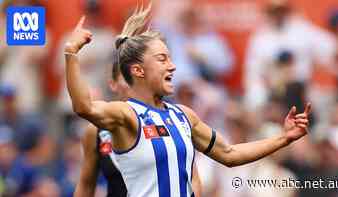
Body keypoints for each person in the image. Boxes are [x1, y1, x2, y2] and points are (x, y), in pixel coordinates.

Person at [64, 4, 311, 197]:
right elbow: (83, 106)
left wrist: (284, 138)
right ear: (139, 71)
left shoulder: (182, 115)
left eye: (170, 58)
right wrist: (71, 53)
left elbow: (230, 154)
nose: (172, 66)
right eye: (162, 59)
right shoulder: (126, 114)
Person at [74, 63, 202, 197]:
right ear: (113, 84)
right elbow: (86, 184)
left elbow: (192, 177)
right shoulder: (96, 132)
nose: (133, 84)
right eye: (127, 78)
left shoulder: (168, 121)